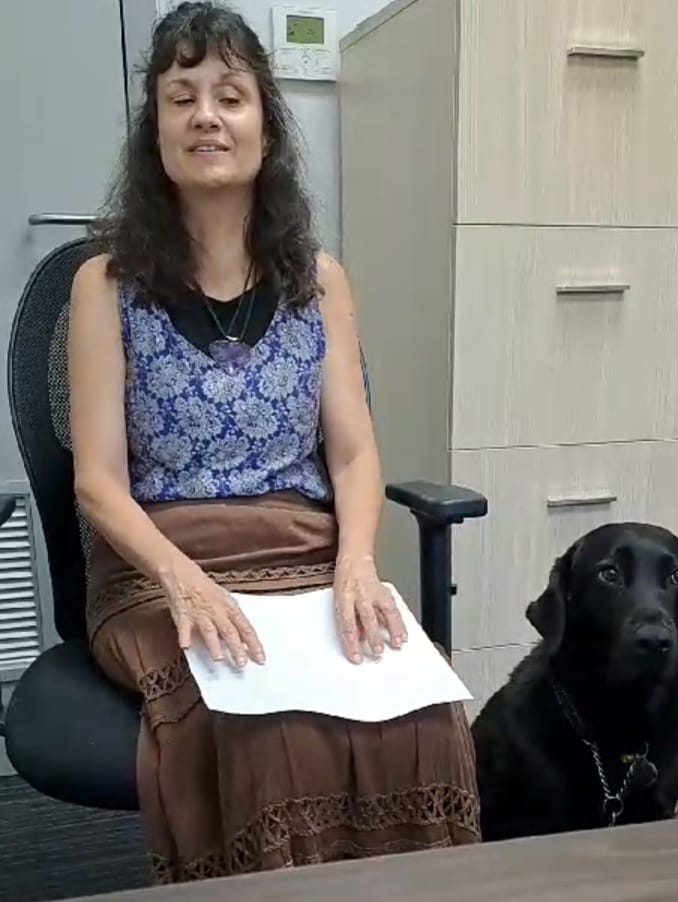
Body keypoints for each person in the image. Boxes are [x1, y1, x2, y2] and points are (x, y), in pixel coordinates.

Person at [69, 1, 479, 883]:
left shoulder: (319, 281)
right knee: (254, 723)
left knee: (421, 713)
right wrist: (186, 582)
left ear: (266, 124)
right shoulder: (103, 285)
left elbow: (355, 456)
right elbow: (98, 483)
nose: (206, 116)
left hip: (303, 552)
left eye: (229, 95)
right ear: (156, 131)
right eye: (181, 98)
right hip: (157, 564)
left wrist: (358, 563)